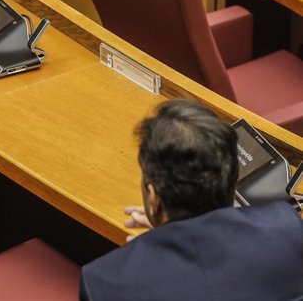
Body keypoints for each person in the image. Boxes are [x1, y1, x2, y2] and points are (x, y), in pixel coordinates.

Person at [80, 99, 303, 301]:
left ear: (154, 198)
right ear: (231, 180)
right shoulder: (287, 228)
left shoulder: (103, 284)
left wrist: (170, 230)